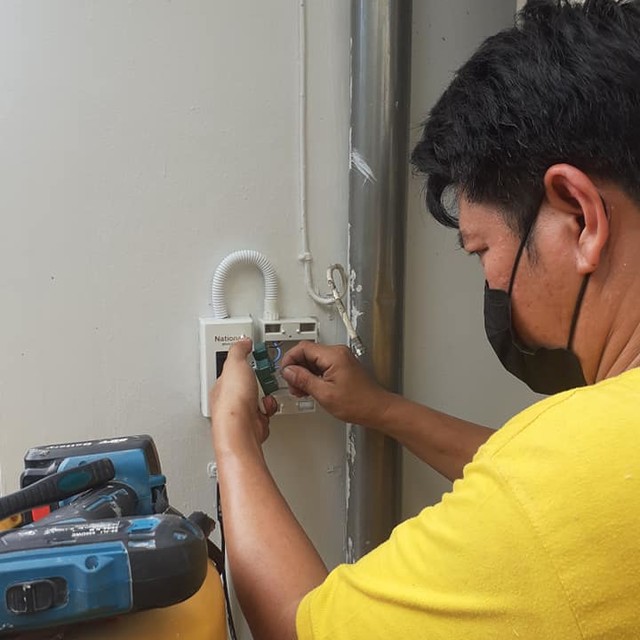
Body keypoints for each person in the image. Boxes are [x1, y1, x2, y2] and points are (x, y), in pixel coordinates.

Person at [209, 0, 640, 637]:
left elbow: (301, 629)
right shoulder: (590, 465)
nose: (491, 284)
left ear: (579, 217)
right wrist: (380, 408)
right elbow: (552, 480)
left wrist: (234, 444)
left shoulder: (565, 487)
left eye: (482, 251)